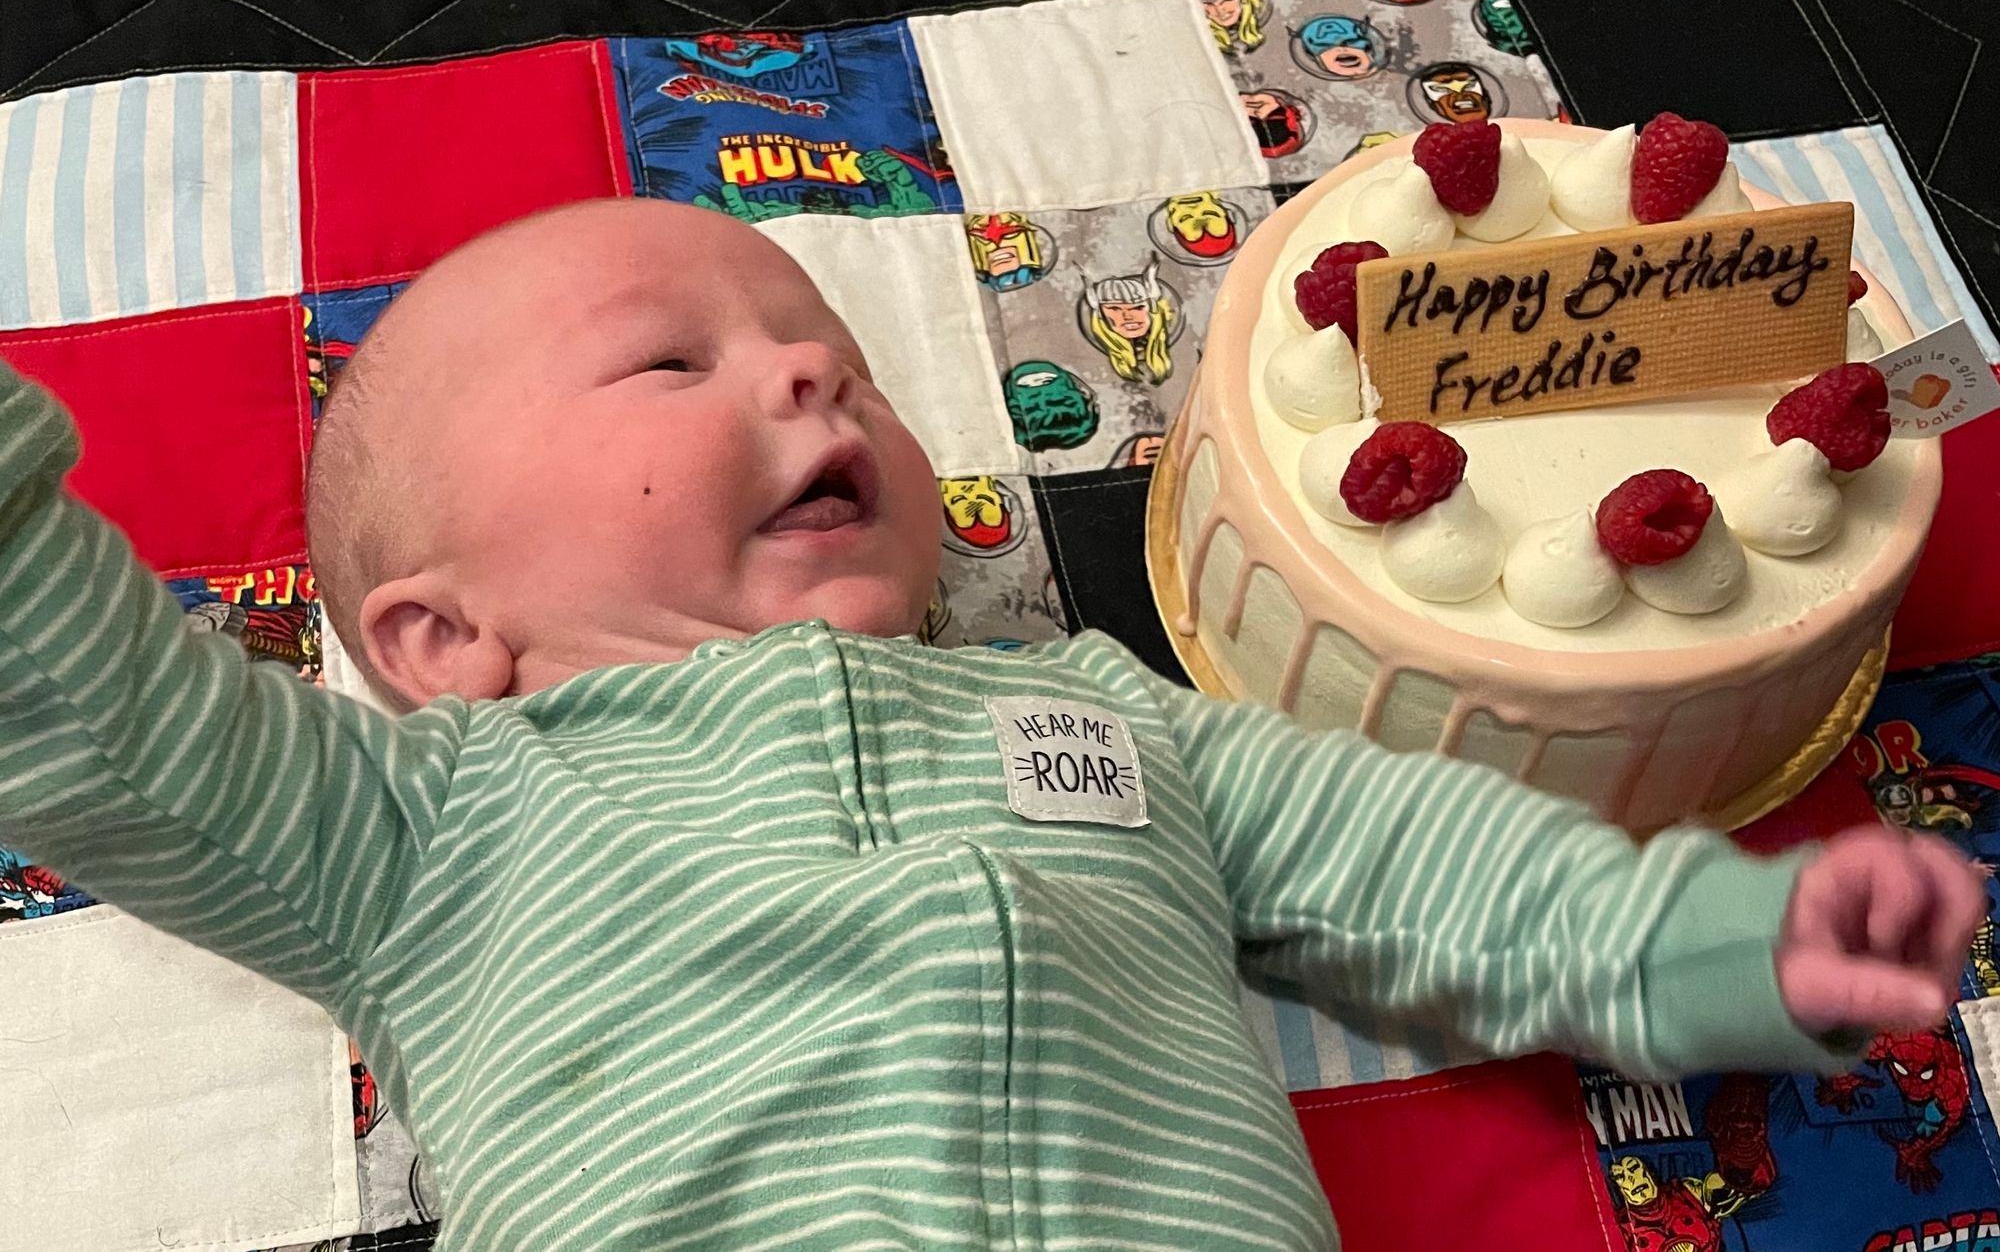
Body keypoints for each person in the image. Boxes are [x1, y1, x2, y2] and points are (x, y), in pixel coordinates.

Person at [0, 198, 1980, 1251]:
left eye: (834, 358)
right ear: (446, 637)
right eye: (674, 361)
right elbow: (112, 724)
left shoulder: (1108, 718)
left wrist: (1729, 944)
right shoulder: (421, 821)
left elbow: (1445, 871)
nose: (809, 380)